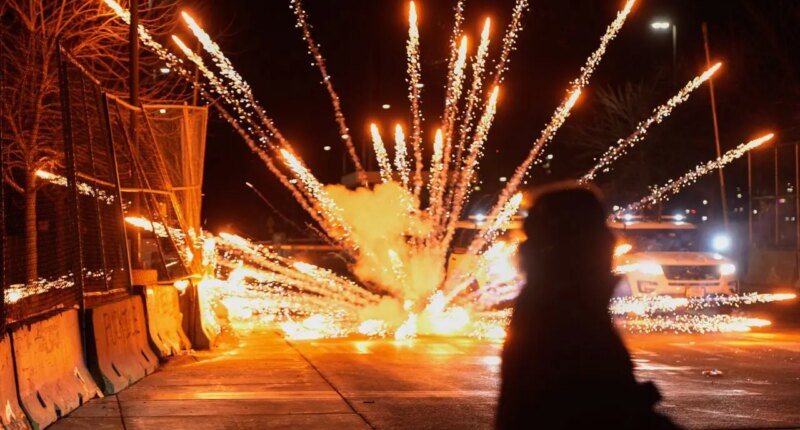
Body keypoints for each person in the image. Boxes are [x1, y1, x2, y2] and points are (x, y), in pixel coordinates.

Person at [496, 183, 679, 429]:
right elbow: (596, 408)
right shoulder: (564, 314)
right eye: (599, 229)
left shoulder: (556, 299)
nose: (611, 240)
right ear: (578, 242)